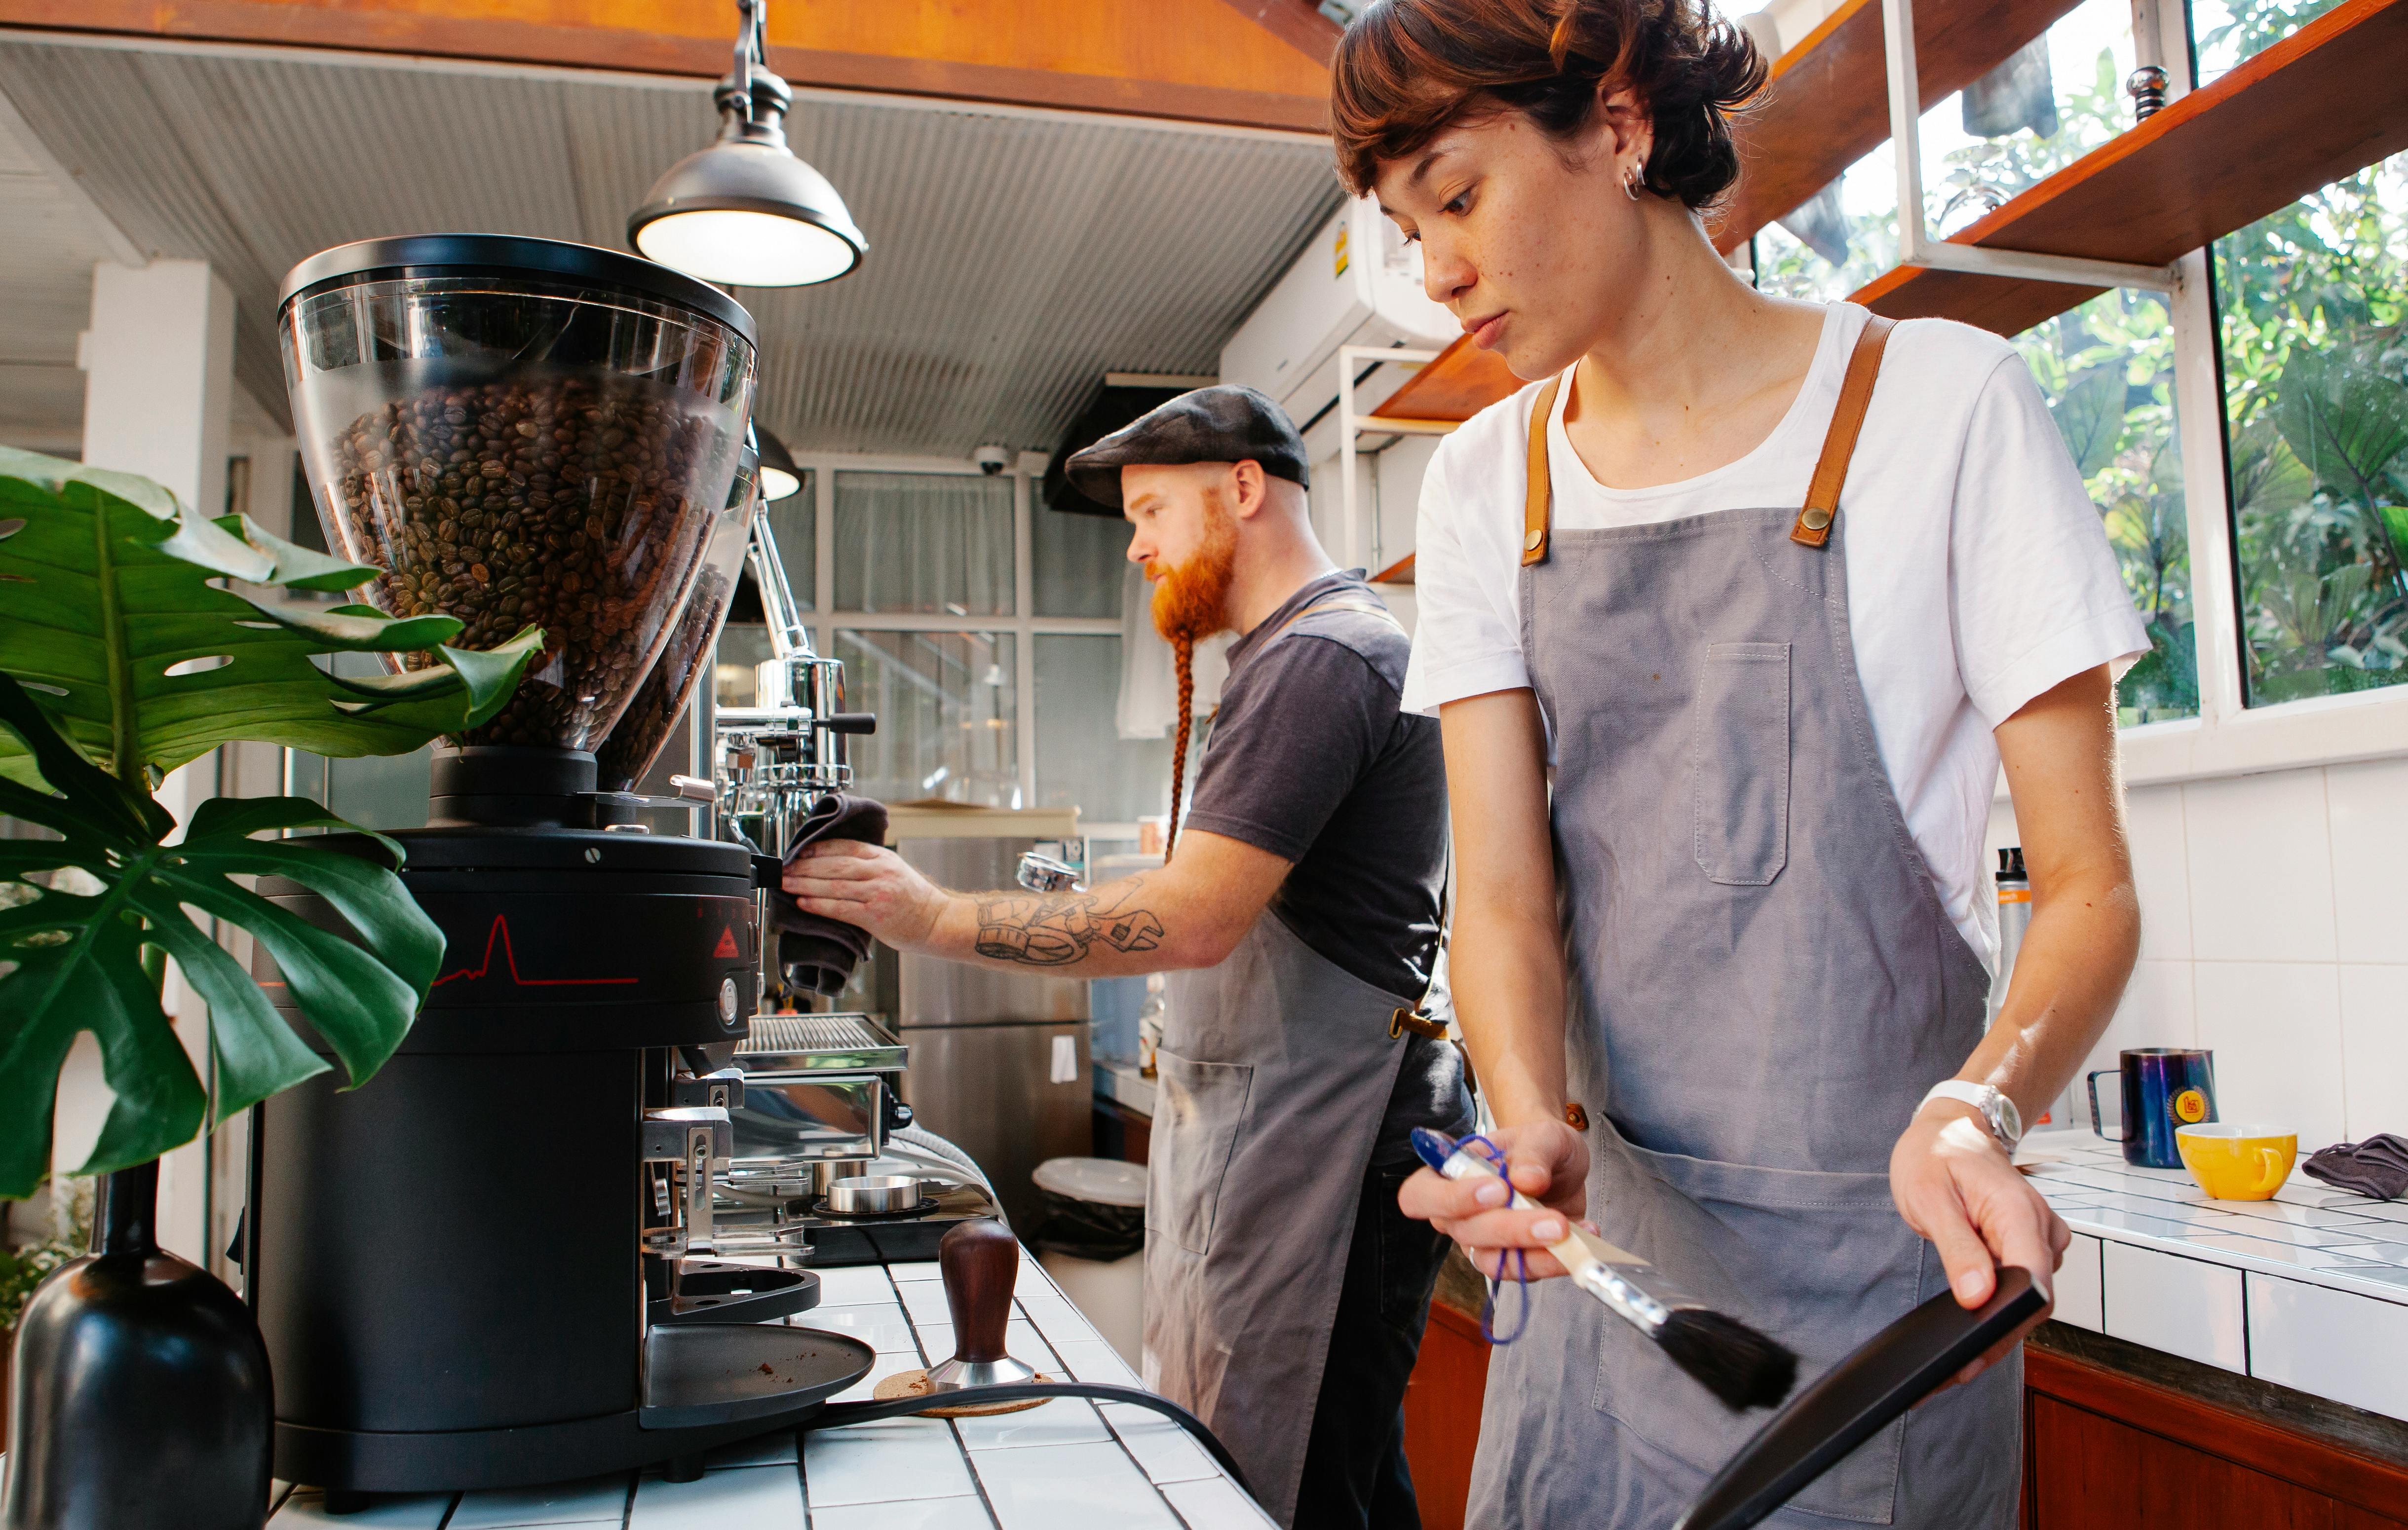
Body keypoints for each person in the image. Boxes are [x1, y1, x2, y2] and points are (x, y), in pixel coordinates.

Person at [1326, 1, 2144, 1525]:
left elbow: (2089, 886)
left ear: (1619, 122)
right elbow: (1500, 900)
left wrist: (1983, 1107)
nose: (1433, 272)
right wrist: (1526, 1121)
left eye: (1455, 194)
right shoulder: (1481, 481)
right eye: (1402, 225)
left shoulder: (1944, 407)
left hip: (1884, 1300)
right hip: (1608, 1286)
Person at [781, 386, 1474, 1530]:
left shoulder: (1328, 661)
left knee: (1305, 1476)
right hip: (1290, 1125)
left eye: (1152, 511)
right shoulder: (1286, 658)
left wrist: (932, 916)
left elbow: (1192, 919)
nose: (1141, 546)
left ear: (1244, 488)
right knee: (1328, 1458)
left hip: (1332, 1136)